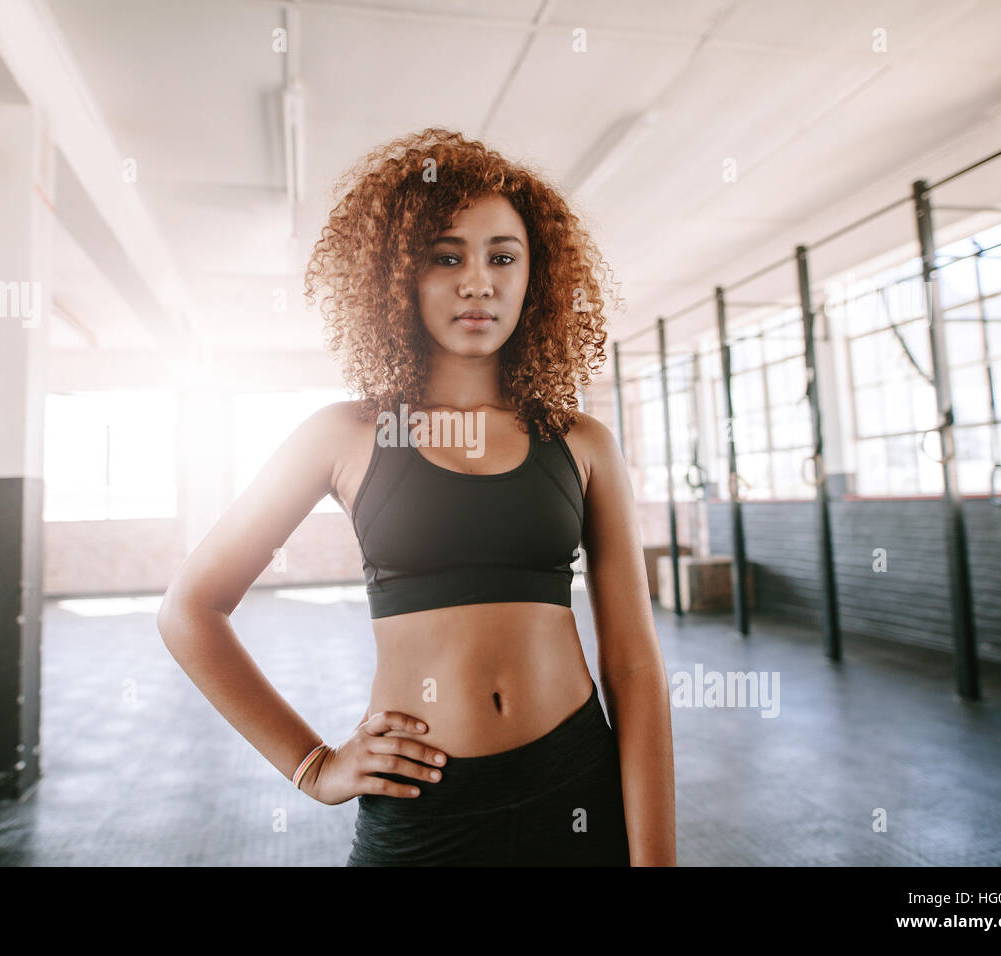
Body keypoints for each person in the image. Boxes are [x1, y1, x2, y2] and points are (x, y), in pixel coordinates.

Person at [158, 127, 675, 866]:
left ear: (537, 277)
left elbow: (633, 667)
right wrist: (313, 766)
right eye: (446, 257)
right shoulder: (341, 436)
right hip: (423, 815)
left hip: (576, 793)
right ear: (399, 276)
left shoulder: (584, 442)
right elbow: (189, 608)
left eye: (503, 256)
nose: (478, 281)